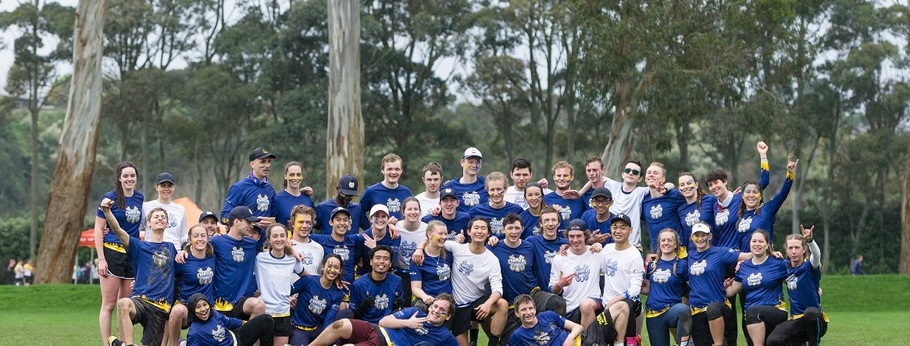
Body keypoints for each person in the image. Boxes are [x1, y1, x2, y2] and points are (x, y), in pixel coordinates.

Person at [414, 217, 509, 346]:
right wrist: (419, 249)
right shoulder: (457, 248)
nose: (479, 231)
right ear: (469, 232)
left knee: (502, 304)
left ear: (488, 233)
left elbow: (498, 289)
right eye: (476, 228)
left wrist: (488, 304)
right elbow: (433, 240)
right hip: (457, 307)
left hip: (476, 304)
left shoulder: (492, 260)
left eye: (483, 228)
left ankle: (493, 343)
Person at [101, 200, 176, 346]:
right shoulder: (138, 246)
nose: (160, 218)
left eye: (163, 217)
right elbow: (118, 230)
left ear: (167, 224)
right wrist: (107, 212)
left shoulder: (172, 249)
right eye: (156, 217)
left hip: (160, 308)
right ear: (148, 223)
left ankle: (118, 344)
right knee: (123, 303)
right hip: (140, 301)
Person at [182, 206, 265, 323]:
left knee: (259, 306)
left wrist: (291, 248)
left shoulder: (252, 244)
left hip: (242, 301)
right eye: (248, 222)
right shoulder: (217, 242)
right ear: (236, 222)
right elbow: (198, 246)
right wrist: (184, 251)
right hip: (219, 303)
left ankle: (247, 339)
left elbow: (274, 247)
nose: (251, 226)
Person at [94, 161, 144, 346]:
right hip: (112, 253)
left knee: (126, 304)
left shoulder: (140, 198)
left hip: (132, 255)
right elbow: (98, 229)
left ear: (136, 178)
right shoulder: (109, 198)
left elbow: (140, 227)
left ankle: (123, 343)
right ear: (119, 178)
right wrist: (101, 259)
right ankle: (107, 343)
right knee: (109, 304)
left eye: (132, 176)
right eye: (126, 176)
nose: (129, 179)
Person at [686, 222, 755, 346]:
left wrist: (769, 253)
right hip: (697, 310)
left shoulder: (719, 252)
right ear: (692, 238)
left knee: (714, 310)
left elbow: (747, 256)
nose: (700, 238)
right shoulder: (689, 256)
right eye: (697, 235)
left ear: (710, 236)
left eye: (703, 235)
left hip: (718, 306)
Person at [308, 293, 459, 346]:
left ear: (448, 316)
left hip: (387, 344)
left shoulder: (445, 336)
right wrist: (408, 323)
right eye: (435, 306)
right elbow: (383, 322)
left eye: (442, 310)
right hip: (376, 329)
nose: (436, 311)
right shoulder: (415, 312)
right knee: (340, 324)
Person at [725, 230, 788, 346]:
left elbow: (793, 282)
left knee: (753, 312)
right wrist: (722, 286)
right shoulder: (743, 267)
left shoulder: (777, 263)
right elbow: (730, 292)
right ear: (750, 244)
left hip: (775, 309)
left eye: (760, 241)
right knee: (752, 313)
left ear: (767, 245)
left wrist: (813, 288)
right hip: (751, 318)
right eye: (754, 241)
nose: (757, 244)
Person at [767, 225, 828, 345]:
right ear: (786, 249)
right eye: (790, 248)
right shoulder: (784, 267)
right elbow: (763, 263)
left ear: (804, 249)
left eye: (797, 247)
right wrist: (772, 253)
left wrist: (810, 240)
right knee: (773, 340)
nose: (793, 251)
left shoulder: (809, 266)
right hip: (796, 319)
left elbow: (816, 255)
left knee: (811, 312)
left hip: (815, 320)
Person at [706, 141, 771, 250]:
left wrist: (763, 155)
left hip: (740, 256)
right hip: (722, 257)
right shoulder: (713, 205)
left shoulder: (741, 197)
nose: (714, 187)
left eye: (716, 182)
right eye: (710, 185)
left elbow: (764, 181)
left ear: (725, 182)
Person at [163, 224, 216, 346]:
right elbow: (166, 276)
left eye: (203, 235)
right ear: (190, 240)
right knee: (176, 311)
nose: (200, 239)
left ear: (208, 238)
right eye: (195, 236)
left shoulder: (213, 257)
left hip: (207, 307)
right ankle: (175, 344)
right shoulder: (182, 260)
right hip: (186, 306)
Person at [735, 155, 798, 252]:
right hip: (745, 265)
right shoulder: (740, 217)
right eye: (748, 192)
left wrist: (790, 175)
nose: (751, 195)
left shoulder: (767, 210)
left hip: (765, 263)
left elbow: (782, 195)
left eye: (755, 192)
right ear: (742, 196)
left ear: (760, 197)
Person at [256, 223, 305, 346]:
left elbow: (307, 278)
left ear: (287, 238)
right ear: (269, 240)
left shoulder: (292, 259)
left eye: (282, 235)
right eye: (275, 236)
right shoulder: (260, 258)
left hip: (283, 313)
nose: (279, 239)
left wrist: (295, 293)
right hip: (264, 313)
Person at [599, 214, 645, 346]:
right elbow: (595, 266)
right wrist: (593, 245)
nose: (618, 231)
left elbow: (635, 289)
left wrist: (615, 300)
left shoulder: (634, 255)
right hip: (606, 304)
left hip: (628, 306)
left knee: (626, 342)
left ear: (630, 230)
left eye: (623, 228)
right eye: (615, 227)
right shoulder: (606, 250)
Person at [549, 220, 604, 328]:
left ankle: (587, 341)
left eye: (579, 236)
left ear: (585, 236)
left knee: (586, 305)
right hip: (571, 309)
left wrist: (599, 245)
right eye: (571, 236)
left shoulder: (596, 253)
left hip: (594, 303)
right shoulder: (560, 258)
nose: (575, 240)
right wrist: (560, 284)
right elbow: (552, 289)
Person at [642, 229, 691, 346]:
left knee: (683, 309)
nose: (666, 243)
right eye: (663, 240)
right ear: (659, 243)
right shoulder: (652, 264)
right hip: (653, 313)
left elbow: (693, 287)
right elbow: (649, 289)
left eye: (670, 240)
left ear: (675, 244)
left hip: (672, 311)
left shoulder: (682, 264)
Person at [288, 254, 347, 345]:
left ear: (340, 271)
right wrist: (289, 299)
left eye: (336, 267)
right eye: (329, 266)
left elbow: (329, 319)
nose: (332, 270)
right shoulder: (308, 280)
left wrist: (328, 338)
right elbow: (286, 292)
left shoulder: (338, 293)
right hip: (299, 328)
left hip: (317, 329)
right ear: (323, 267)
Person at [220, 147, 279, 230]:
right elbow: (224, 218)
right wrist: (251, 222)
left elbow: (275, 216)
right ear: (252, 164)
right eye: (263, 162)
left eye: (269, 162)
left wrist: (274, 223)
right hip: (244, 241)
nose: (267, 165)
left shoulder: (270, 189)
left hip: (265, 241)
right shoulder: (239, 188)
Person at [185, 293, 274, 346]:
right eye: (198, 307)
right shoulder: (194, 333)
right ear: (192, 311)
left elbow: (230, 322)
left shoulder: (214, 314)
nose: (203, 309)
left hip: (236, 337)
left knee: (266, 319)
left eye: (205, 304)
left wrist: (249, 324)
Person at [348, 245, 405, 323]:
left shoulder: (397, 281)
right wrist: (361, 308)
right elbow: (352, 314)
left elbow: (398, 310)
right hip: (366, 326)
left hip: (389, 325)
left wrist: (399, 305)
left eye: (386, 259)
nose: (381, 261)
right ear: (371, 262)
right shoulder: (358, 284)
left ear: (390, 263)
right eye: (378, 258)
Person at [641, 162, 685, 254]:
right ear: (645, 178)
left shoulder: (674, 195)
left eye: (655, 173)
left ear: (663, 179)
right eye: (649, 172)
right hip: (659, 254)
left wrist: (669, 186)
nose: (651, 175)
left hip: (679, 252)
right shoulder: (642, 200)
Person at [508, 294, 583, 346]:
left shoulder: (548, 315)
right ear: (517, 313)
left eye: (530, 308)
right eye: (524, 310)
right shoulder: (518, 335)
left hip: (574, 342)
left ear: (535, 309)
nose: (528, 312)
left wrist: (570, 338)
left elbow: (578, 327)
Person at [410, 220, 454, 310]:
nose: (444, 237)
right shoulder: (418, 257)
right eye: (440, 234)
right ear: (429, 234)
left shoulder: (449, 253)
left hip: (446, 300)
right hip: (427, 299)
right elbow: (415, 287)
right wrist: (424, 296)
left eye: (446, 234)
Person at [359, 153, 413, 224]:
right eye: (389, 169)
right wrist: (370, 228)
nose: (393, 172)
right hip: (378, 235)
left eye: (397, 169)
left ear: (401, 171)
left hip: (402, 234)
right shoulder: (371, 192)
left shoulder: (406, 192)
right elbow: (359, 214)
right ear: (382, 170)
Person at [142, 172, 189, 250]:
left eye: (169, 186)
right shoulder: (146, 207)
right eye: (163, 186)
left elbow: (183, 236)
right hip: (152, 251)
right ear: (156, 187)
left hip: (174, 253)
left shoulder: (180, 209)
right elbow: (139, 229)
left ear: (173, 188)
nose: (166, 189)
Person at [525, 207, 569, 291]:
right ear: (541, 224)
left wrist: (596, 245)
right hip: (542, 294)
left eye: (554, 220)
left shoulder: (566, 243)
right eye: (546, 220)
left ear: (559, 223)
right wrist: (493, 239)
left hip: (565, 292)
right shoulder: (532, 241)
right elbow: (515, 245)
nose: (550, 223)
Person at [395, 197, 428, 305]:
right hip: (399, 272)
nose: (413, 212)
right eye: (409, 209)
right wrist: (390, 224)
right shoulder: (395, 227)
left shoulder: (426, 229)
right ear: (403, 212)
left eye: (416, 209)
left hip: (419, 272)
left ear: (420, 211)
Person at [469, 172, 524, 237]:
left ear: (505, 189)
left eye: (499, 189)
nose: (496, 193)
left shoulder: (517, 210)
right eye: (492, 190)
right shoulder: (476, 211)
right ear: (487, 190)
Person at [355, 205, 401, 277]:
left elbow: (391, 260)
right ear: (371, 219)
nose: (380, 220)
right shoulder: (362, 238)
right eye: (376, 217)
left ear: (388, 219)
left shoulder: (394, 236)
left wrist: (375, 248)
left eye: (383, 216)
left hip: (386, 276)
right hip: (365, 276)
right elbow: (358, 262)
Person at [543, 161, 587, 231]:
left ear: (572, 177)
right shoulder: (546, 199)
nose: (562, 178)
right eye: (558, 175)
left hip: (575, 239)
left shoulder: (580, 199)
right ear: (554, 177)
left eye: (565, 176)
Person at [676, 172, 716, 249]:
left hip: (712, 251)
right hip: (693, 254)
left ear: (696, 185)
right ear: (679, 189)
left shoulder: (710, 200)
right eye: (682, 185)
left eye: (689, 183)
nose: (686, 187)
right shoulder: (680, 210)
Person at [442, 147, 488, 212]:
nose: (474, 165)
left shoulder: (486, 183)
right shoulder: (451, 186)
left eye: (477, 162)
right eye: (470, 162)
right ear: (462, 162)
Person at [272, 161, 315, 228]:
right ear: (285, 176)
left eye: (298, 175)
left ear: (302, 176)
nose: (295, 178)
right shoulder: (278, 199)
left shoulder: (308, 199)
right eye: (292, 175)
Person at [289, 205, 324, 275]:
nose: (304, 226)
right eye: (301, 222)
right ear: (292, 224)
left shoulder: (319, 249)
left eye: (308, 222)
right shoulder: (286, 247)